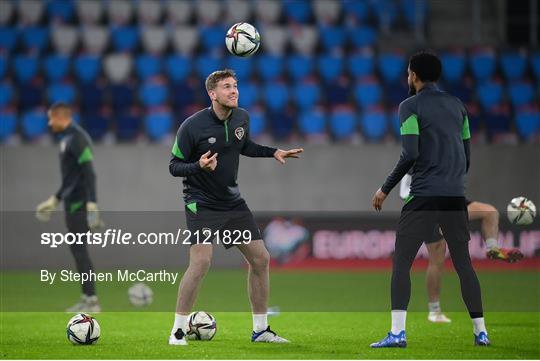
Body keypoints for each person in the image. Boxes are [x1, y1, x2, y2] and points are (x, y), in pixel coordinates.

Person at [168, 69, 303, 346]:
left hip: (231, 202)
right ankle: (178, 331)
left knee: (261, 258)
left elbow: (244, 146)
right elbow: (173, 166)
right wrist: (198, 166)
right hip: (201, 202)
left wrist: (273, 151)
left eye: (235, 86)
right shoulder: (191, 127)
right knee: (202, 261)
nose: (234, 91)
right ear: (212, 93)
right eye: (227, 87)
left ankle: (261, 330)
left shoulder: (242, 117)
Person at [370, 52, 490, 348]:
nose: (408, 78)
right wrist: (452, 182)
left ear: (414, 75)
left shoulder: (409, 106)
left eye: (409, 73)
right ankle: (481, 332)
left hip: (423, 195)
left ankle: (397, 333)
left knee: (402, 263)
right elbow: (467, 155)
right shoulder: (458, 106)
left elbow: (410, 153)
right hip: (453, 196)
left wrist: (385, 188)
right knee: (464, 265)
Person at [400, 173, 524, 323]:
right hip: (427, 207)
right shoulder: (417, 157)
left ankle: (493, 249)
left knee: (490, 212)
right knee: (437, 257)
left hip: (453, 201)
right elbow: (404, 193)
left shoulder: (451, 153)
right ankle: (434, 311)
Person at [35, 102, 103, 312]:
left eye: (50, 118)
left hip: (79, 204)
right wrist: (54, 200)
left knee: (79, 249)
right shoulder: (67, 139)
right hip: (72, 202)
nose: (49, 123)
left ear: (60, 117)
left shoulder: (77, 138)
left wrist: (91, 202)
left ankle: (91, 301)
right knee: (77, 249)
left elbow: (88, 171)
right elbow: (70, 178)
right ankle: (88, 298)